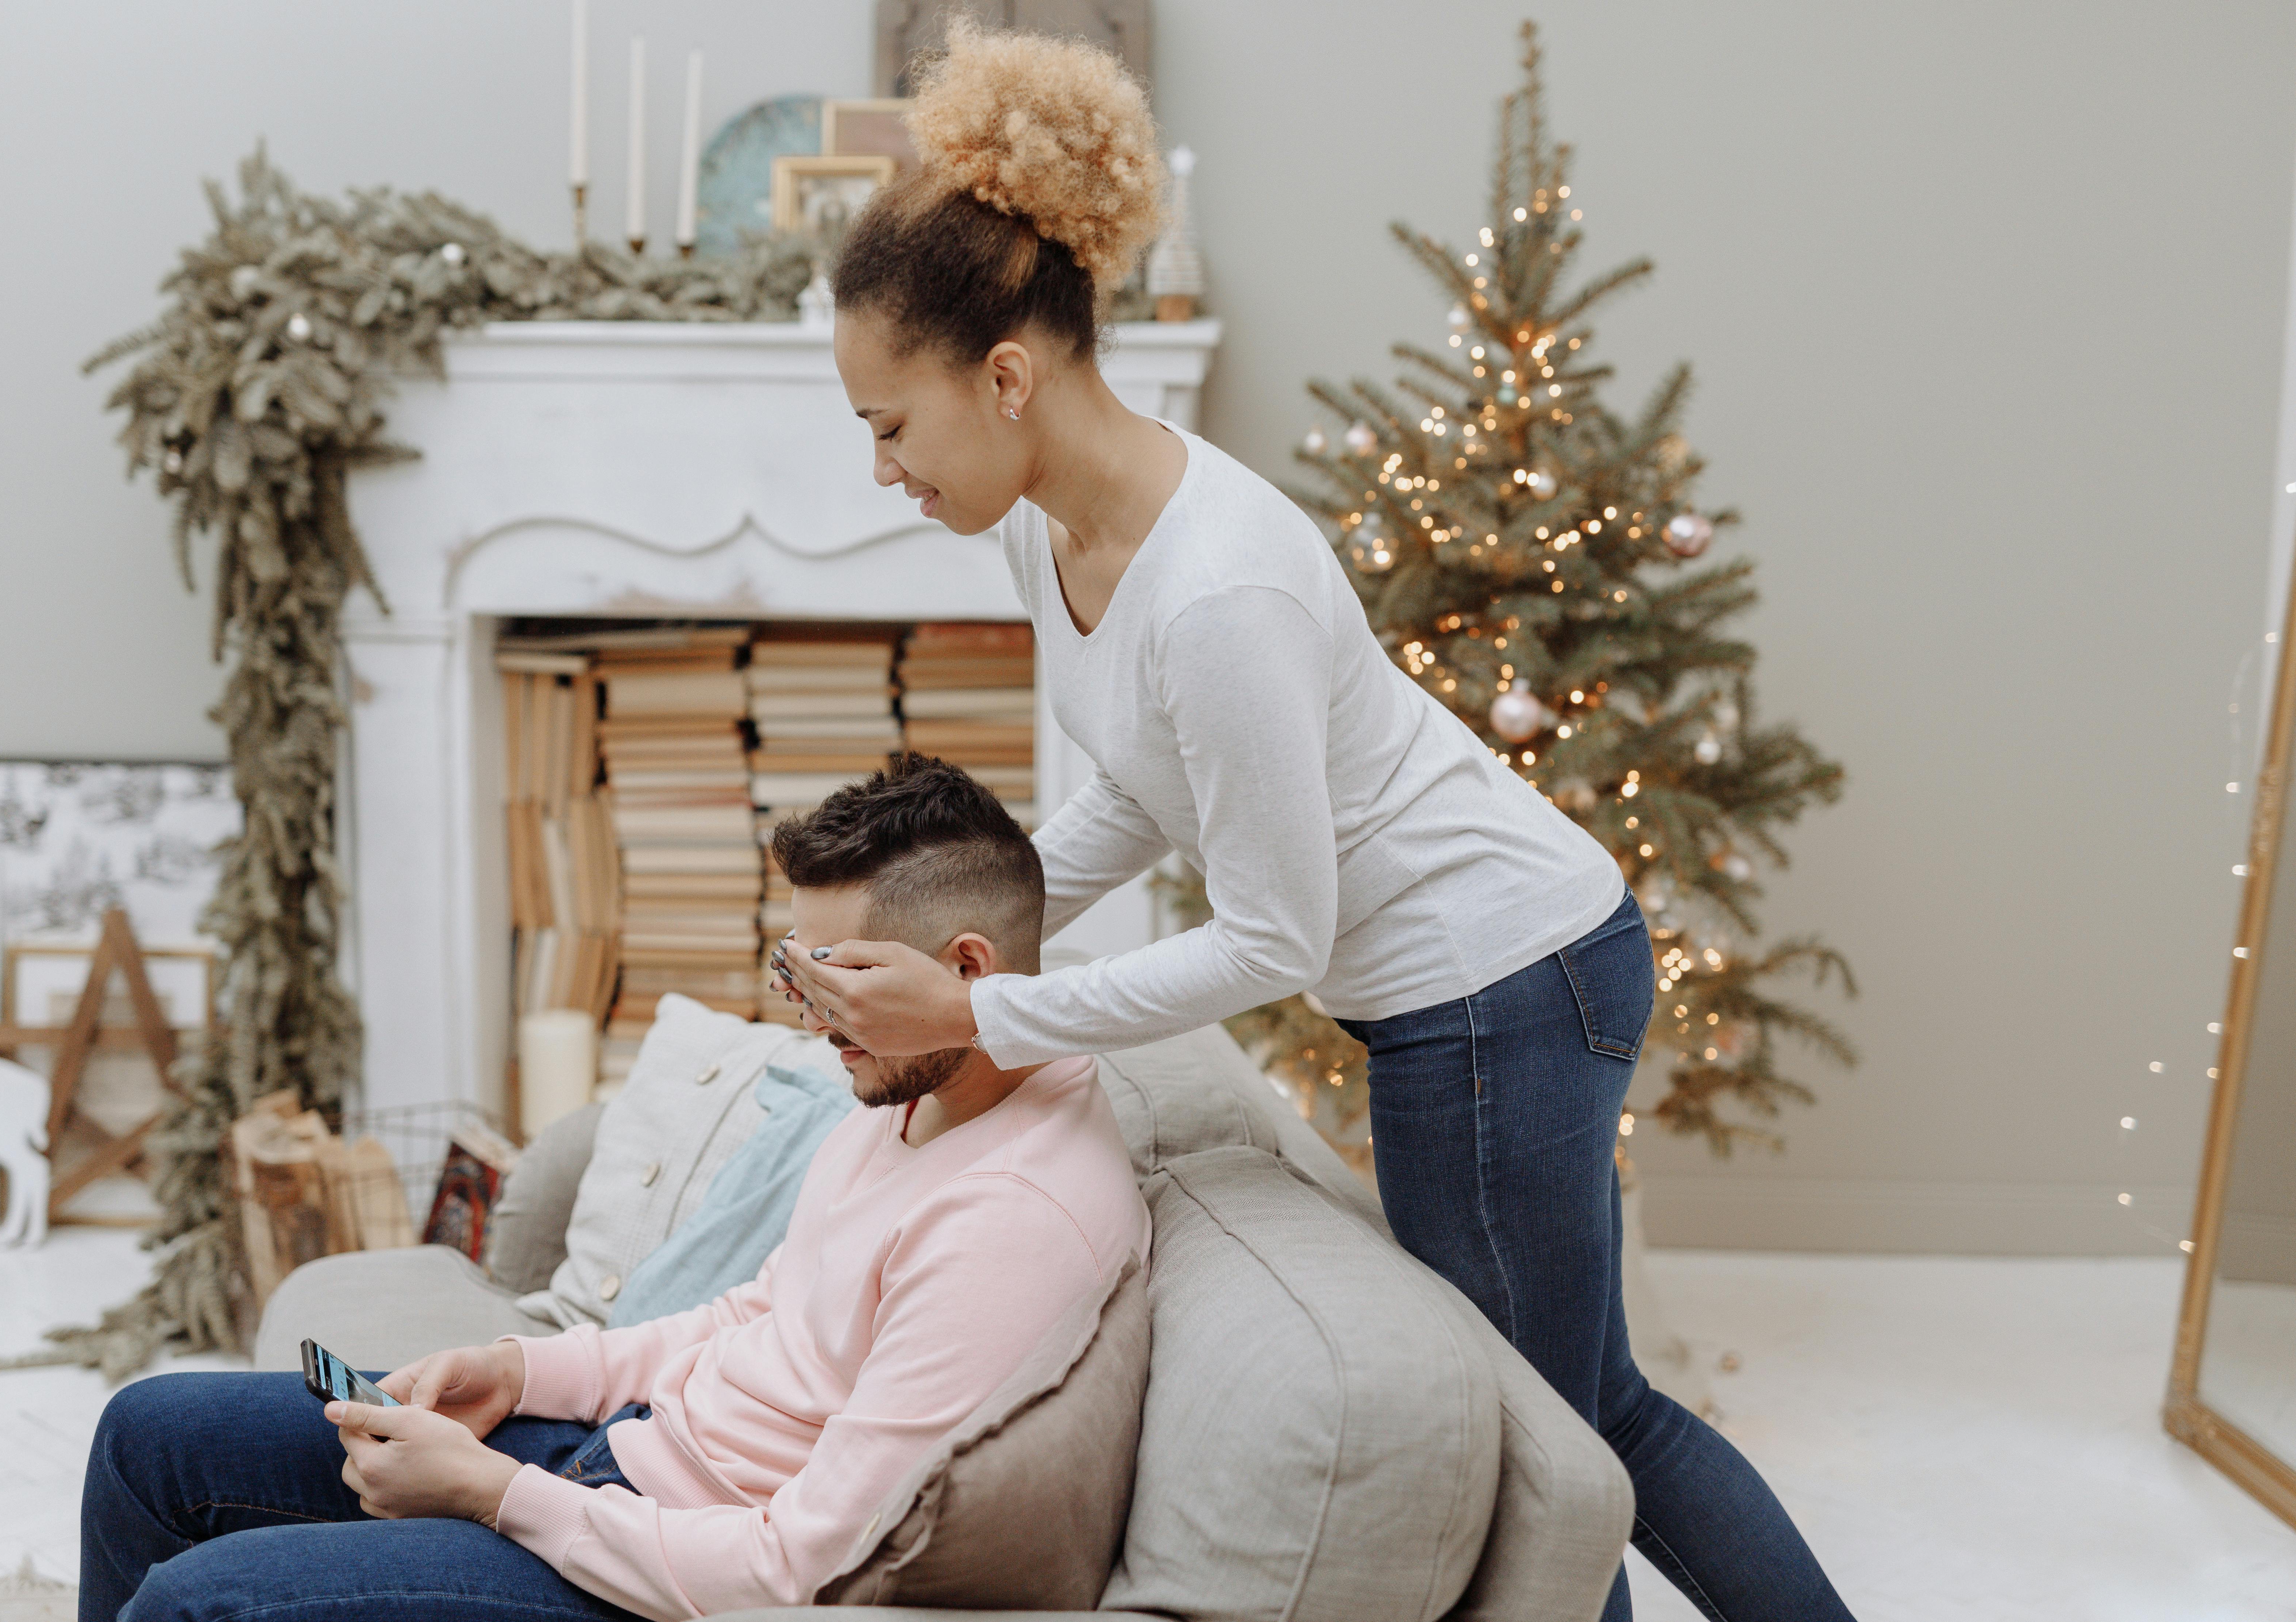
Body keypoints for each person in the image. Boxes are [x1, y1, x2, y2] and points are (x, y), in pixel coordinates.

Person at [775, 21, 1855, 1621]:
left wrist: (986, 1001)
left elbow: (1272, 935)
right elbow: (1146, 788)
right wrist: (940, 942)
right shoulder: (1048, 533)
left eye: (887, 424)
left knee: (1556, 1440)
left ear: (1004, 379)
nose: (880, 469)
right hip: (1475, 982)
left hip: (1503, 983)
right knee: (1573, 1423)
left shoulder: (1217, 590)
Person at [79, 756, 1148, 1622]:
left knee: (194, 1604)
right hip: (616, 1460)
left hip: (657, 1572)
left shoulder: (1014, 1217)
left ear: (967, 969)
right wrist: (521, 1367)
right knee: (149, 1437)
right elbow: (758, 1314)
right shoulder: (915, 1092)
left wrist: (489, 1493)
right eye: (796, 972)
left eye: (839, 980)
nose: (810, 1017)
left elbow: (795, 1568)